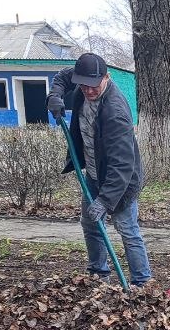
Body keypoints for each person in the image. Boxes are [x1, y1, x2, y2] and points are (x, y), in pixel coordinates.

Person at [47, 53, 152, 286]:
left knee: (127, 229)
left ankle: (143, 284)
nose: (88, 91)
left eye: (94, 86)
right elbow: (64, 76)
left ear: (107, 77)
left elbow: (123, 164)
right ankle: (98, 274)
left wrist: (104, 201)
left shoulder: (115, 111)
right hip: (94, 174)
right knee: (90, 223)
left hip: (120, 182)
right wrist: (54, 96)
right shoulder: (83, 83)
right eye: (83, 86)